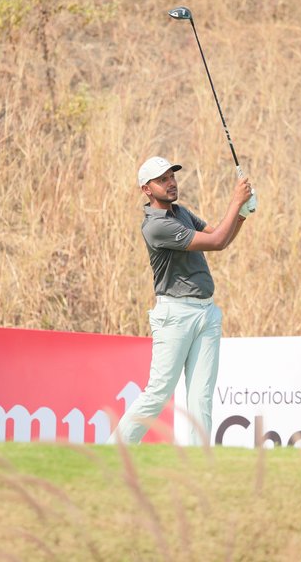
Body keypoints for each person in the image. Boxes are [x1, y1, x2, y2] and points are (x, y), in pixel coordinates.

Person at [111, 155, 255, 446]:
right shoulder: (156, 226)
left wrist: (241, 214)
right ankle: (114, 449)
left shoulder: (181, 213)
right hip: (175, 315)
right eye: (162, 180)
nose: (171, 183)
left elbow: (219, 237)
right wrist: (235, 202)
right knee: (159, 392)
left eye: (172, 176)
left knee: (201, 395)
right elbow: (215, 243)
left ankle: (198, 462)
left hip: (206, 313)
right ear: (147, 190)